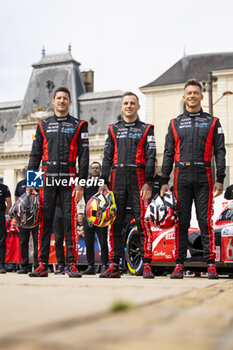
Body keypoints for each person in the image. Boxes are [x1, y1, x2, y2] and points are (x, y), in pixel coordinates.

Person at [160, 79, 226, 279]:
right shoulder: (174, 123)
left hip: (204, 175)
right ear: (184, 96)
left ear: (201, 97)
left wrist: (220, 178)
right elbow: (168, 153)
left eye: (195, 93)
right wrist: (164, 179)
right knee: (182, 221)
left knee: (206, 221)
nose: (192, 96)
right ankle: (179, 263)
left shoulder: (213, 122)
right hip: (181, 176)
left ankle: (211, 264)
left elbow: (220, 152)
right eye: (189, 93)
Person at [26, 86, 89, 278]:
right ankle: (42, 264)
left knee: (70, 222)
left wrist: (81, 184)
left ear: (70, 102)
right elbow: (35, 155)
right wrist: (31, 184)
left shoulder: (79, 125)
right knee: (44, 221)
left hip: (69, 176)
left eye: (65, 98)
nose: (62, 101)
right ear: (53, 101)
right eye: (59, 98)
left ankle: (71, 264)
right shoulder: (43, 124)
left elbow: (84, 157)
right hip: (47, 176)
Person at [99, 91, 156, 278]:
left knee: (143, 221)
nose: (129, 106)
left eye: (133, 103)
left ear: (138, 107)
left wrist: (149, 182)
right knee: (114, 221)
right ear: (122, 107)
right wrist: (103, 182)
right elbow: (106, 157)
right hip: (117, 176)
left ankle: (147, 263)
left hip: (139, 176)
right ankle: (114, 264)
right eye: (126, 103)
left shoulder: (147, 129)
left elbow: (151, 156)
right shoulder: (113, 129)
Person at [82, 161, 109, 275]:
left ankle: (104, 265)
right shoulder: (86, 183)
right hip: (88, 217)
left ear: (100, 169)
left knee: (103, 242)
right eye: (93, 168)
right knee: (88, 243)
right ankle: (90, 266)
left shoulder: (105, 183)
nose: (95, 170)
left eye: (97, 168)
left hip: (102, 217)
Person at [15, 178, 39, 273]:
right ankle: (24, 266)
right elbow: (17, 200)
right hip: (23, 217)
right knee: (23, 241)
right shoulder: (20, 184)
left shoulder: (39, 182)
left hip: (36, 216)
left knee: (37, 241)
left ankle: (38, 265)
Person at [0, 180, 12, 274]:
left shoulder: (4, 188)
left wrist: (2, 214)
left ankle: (1, 265)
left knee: (1, 241)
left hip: (0, 216)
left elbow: (9, 204)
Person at [53, 196, 66, 275]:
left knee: (70, 239)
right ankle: (61, 265)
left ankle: (71, 264)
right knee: (58, 240)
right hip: (56, 212)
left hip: (68, 209)